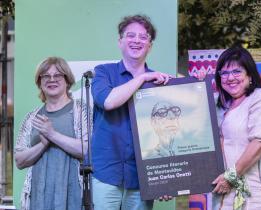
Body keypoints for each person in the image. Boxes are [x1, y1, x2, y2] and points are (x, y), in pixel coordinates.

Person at [91, 14, 172, 210]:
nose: (137, 41)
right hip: (106, 174)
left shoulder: (160, 84)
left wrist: (167, 180)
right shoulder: (103, 72)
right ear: (120, 42)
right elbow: (108, 101)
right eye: (131, 35)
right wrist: (142, 79)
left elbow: (169, 133)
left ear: (150, 45)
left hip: (142, 177)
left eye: (143, 37)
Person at [209, 46, 261, 210]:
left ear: (250, 75)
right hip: (224, 196)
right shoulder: (218, 105)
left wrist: (230, 177)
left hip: (258, 195)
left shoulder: (260, 98)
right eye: (224, 73)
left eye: (237, 72)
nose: (230, 78)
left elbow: (260, 143)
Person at [14, 57, 90, 210]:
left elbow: (87, 150)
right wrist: (43, 144)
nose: (52, 79)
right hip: (37, 198)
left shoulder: (81, 110)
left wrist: (52, 134)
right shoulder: (31, 117)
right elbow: (19, 160)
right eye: (46, 76)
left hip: (73, 197)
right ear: (40, 82)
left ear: (67, 80)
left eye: (57, 75)